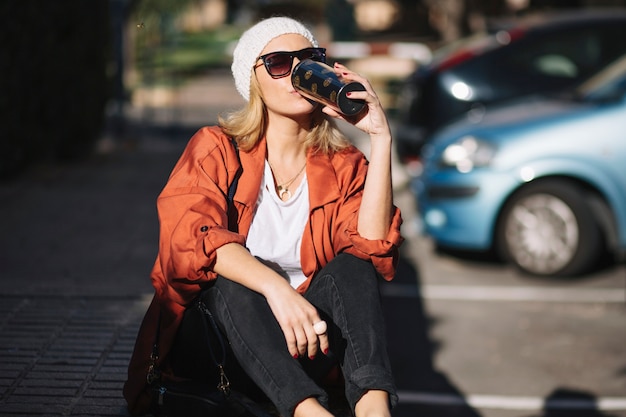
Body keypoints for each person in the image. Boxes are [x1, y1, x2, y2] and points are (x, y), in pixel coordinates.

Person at [124, 16, 404, 417]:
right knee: (228, 281)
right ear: (252, 80)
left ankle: (375, 411)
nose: (296, 72)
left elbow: (373, 247)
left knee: (354, 269)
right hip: (218, 348)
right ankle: (310, 413)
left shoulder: (342, 162)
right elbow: (191, 239)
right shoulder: (215, 148)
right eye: (278, 62)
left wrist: (380, 137)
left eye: (308, 59)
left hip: (300, 344)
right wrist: (278, 289)